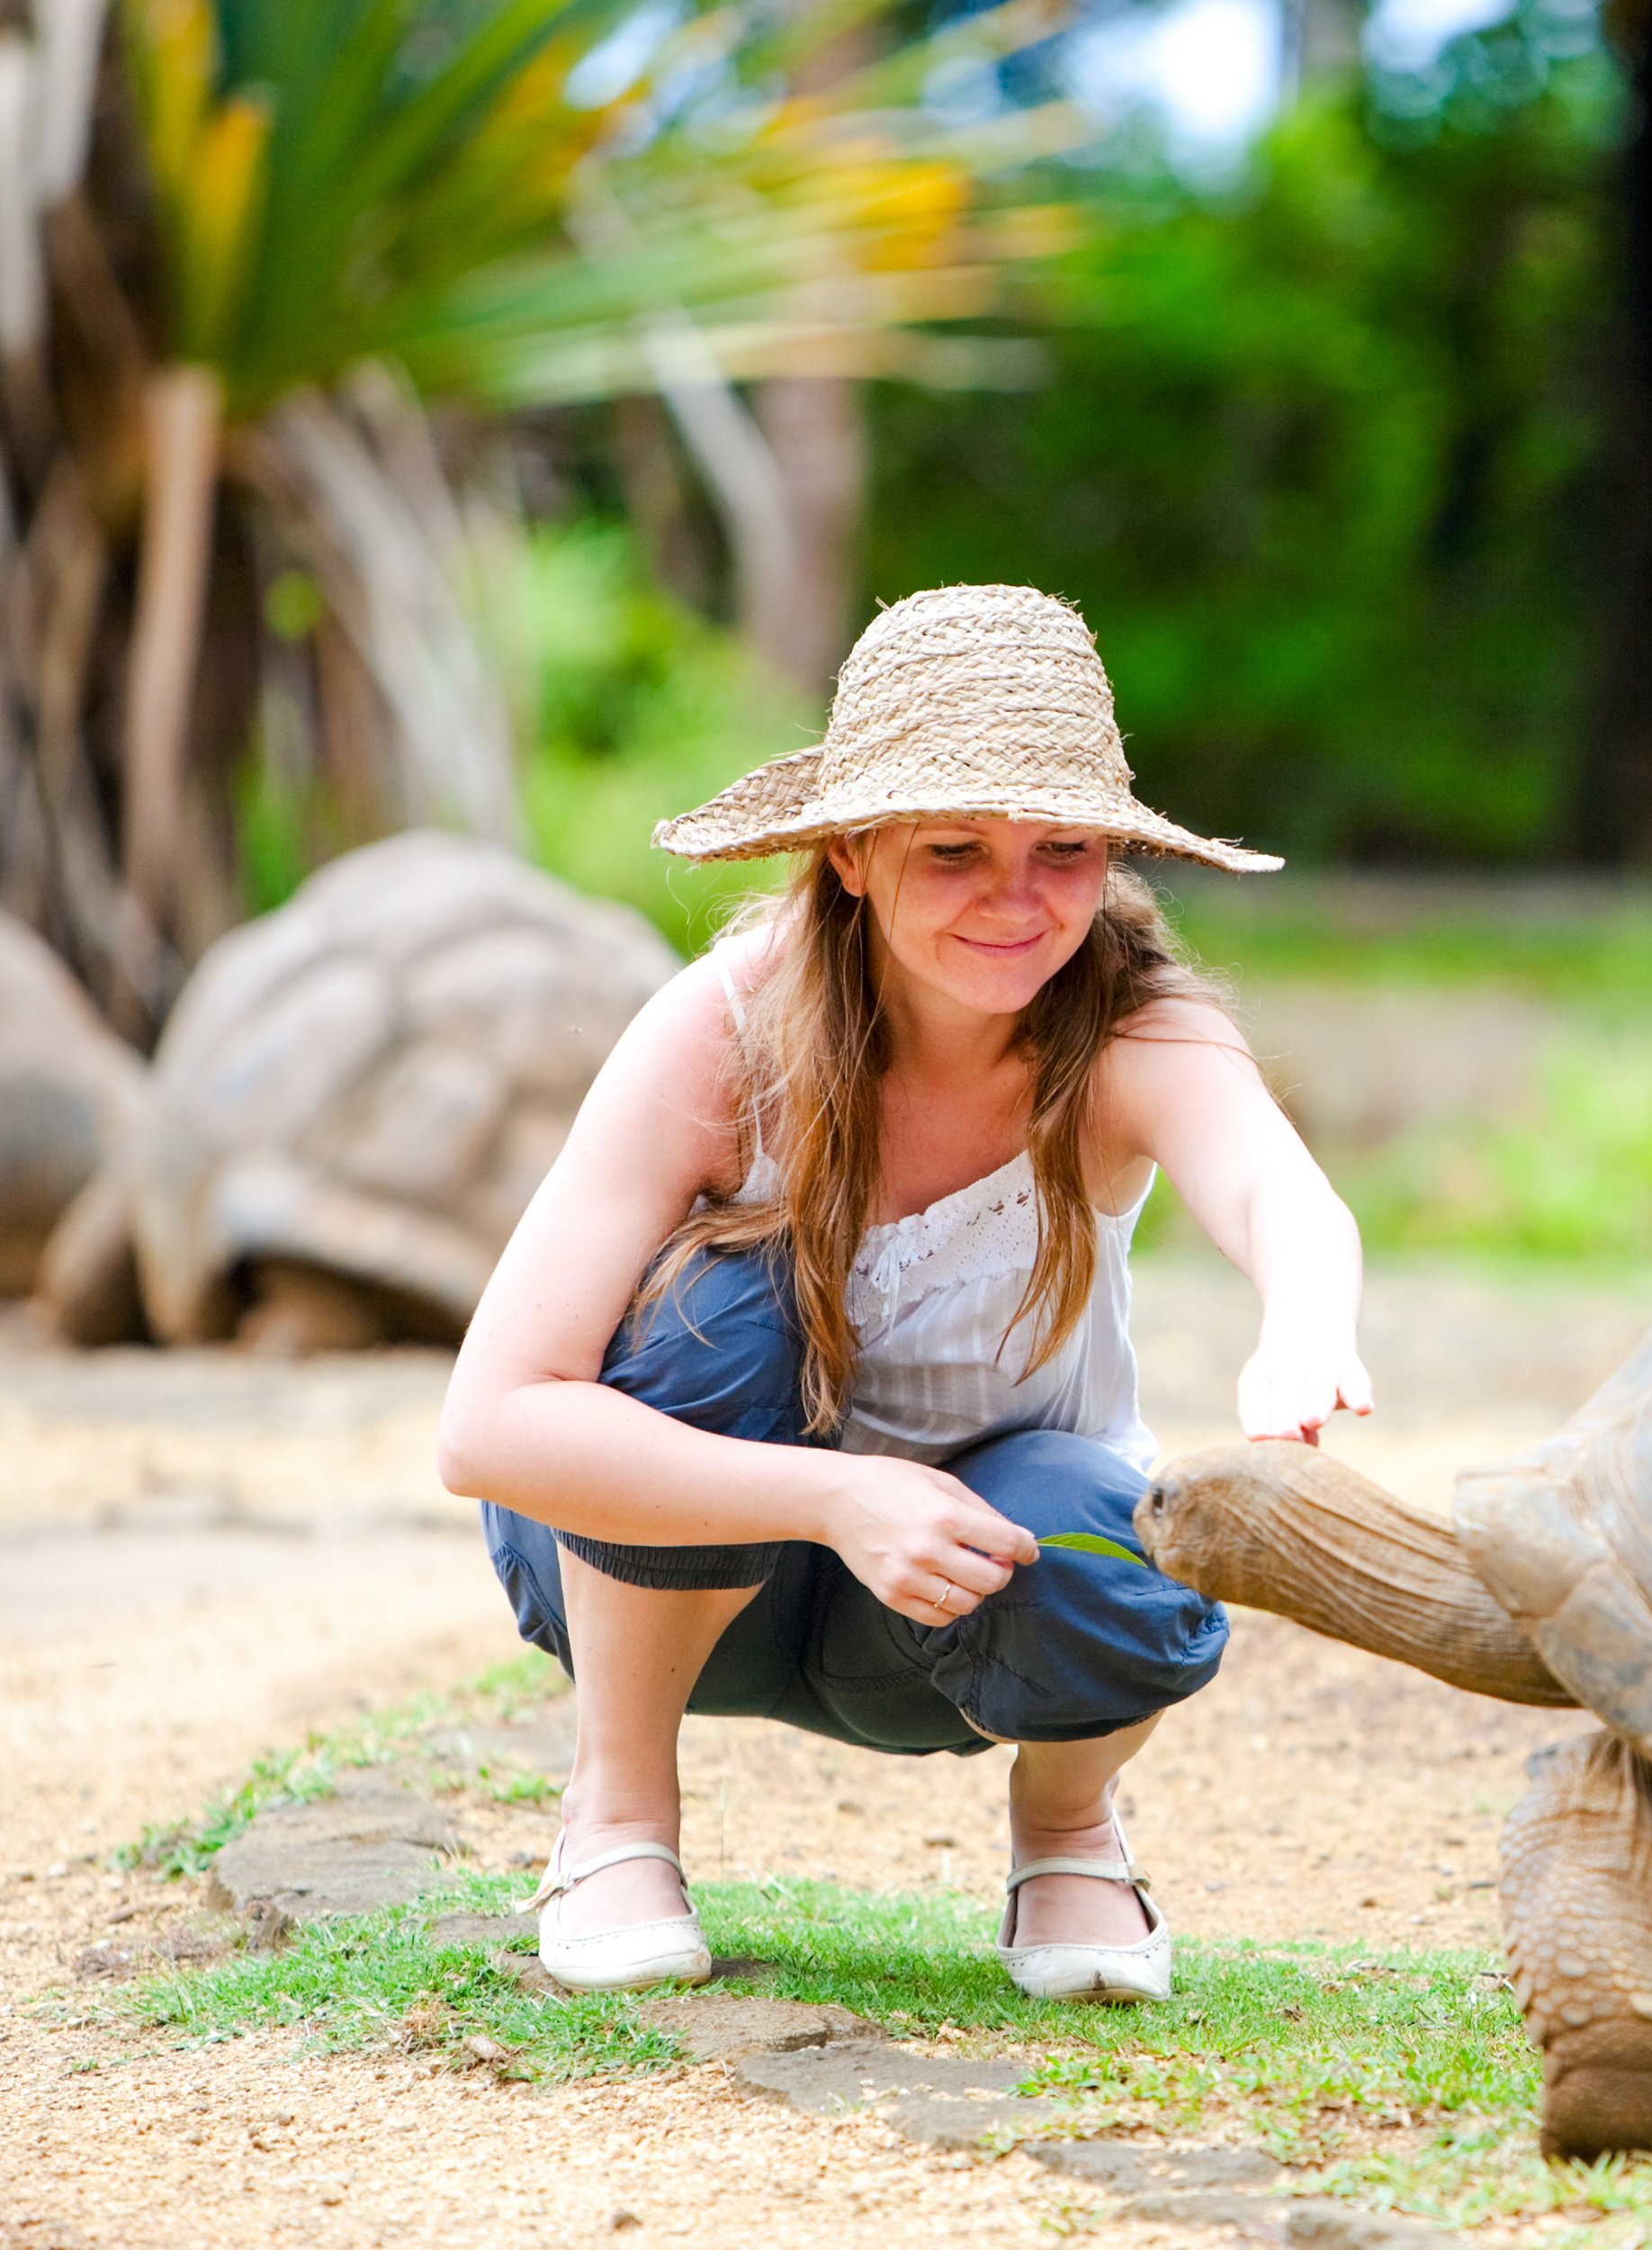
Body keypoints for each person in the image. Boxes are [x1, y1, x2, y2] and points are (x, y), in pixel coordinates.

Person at [436, 585, 1369, 2006]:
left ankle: (1068, 1830)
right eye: (956, 850)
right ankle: (616, 1821)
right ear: (856, 855)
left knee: (1112, 1527)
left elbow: (1272, 1189)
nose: (1020, 896)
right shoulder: (726, 1026)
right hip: (665, 1572)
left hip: (948, 1605)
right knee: (717, 1309)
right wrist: (834, 1498)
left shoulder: (1130, 1024)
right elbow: (490, 1425)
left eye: (1064, 849)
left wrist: (1305, 1326)